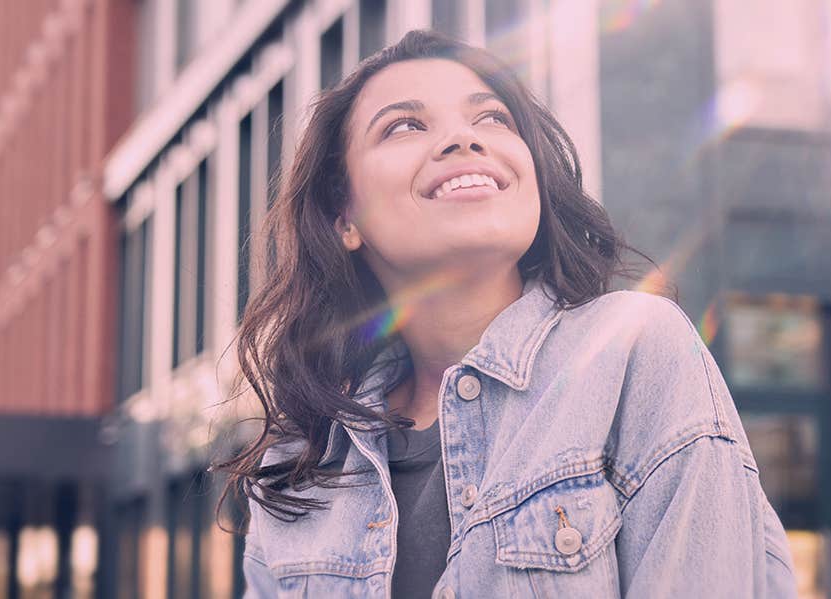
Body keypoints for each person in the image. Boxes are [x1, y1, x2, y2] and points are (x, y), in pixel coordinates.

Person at [220, 29, 797, 598]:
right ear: (343, 216)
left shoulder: (635, 350)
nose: (463, 140)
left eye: (492, 118)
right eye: (404, 125)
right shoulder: (301, 461)